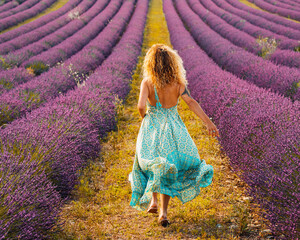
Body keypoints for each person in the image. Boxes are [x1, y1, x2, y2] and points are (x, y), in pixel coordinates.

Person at [128, 43, 219, 227]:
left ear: (151, 64)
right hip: (173, 129)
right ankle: (163, 213)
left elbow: (139, 106)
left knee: (152, 162)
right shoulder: (178, 84)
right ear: (172, 63)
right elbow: (191, 102)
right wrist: (208, 122)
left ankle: (153, 200)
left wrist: (145, 117)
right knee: (169, 167)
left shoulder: (147, 82)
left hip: (152, 125)